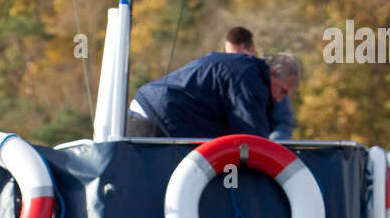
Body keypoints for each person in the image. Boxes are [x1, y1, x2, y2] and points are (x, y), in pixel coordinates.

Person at [127, 40, 299, 140]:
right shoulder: (249, 80)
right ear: (273, 72)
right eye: (282, 91)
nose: (279, 99)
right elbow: (251, 137)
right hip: (159, 117)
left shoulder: (244, 68)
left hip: (150, 108)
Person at [224, 26, 295, 142]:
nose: (234, 62)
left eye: (239, 57)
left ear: (252, 49)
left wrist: (267, 148)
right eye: (229, 56)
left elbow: (284, 122)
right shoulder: (223, 81)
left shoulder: (272, 81)